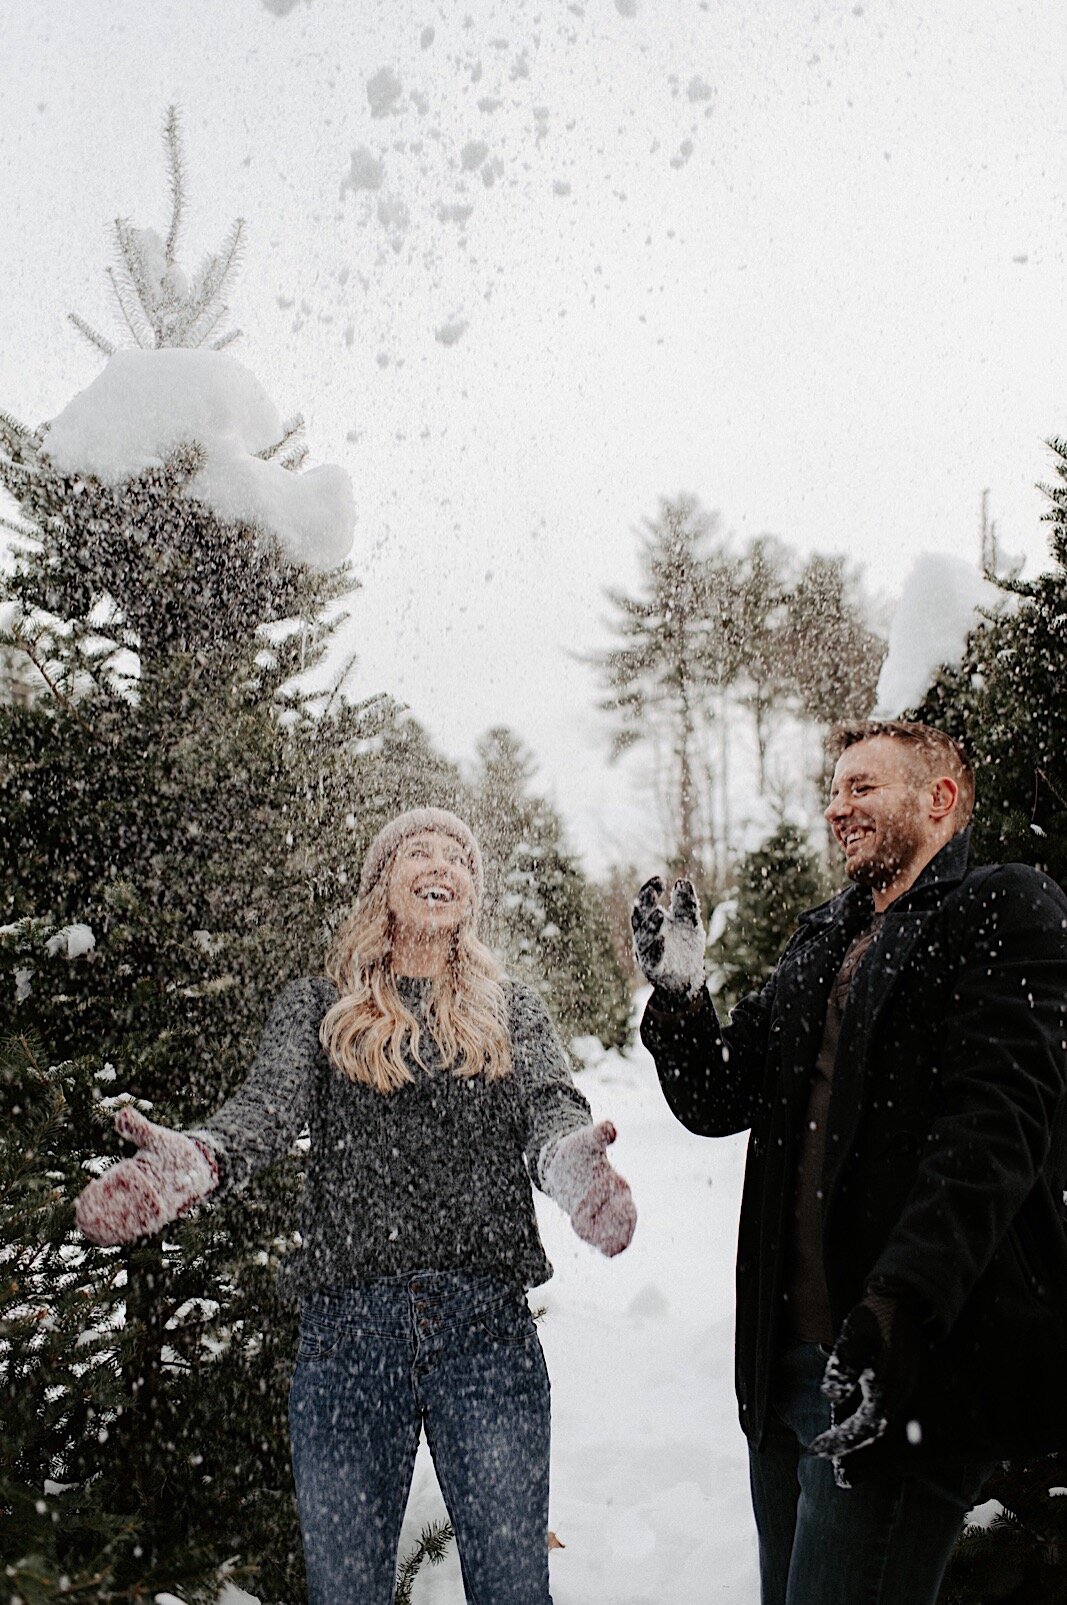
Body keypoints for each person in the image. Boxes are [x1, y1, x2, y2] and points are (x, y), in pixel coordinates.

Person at [75, 806, 637, 1605]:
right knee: (345, 1592)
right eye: (419, 851)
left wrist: (573, 1168)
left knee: (514, 1589)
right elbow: (265, 1110)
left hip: (485, 1339)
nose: (442, 862)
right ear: (383, 883)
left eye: (458, 856)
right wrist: (199, 1159)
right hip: (348, 1340)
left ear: (472, 894)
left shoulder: (512, 1010)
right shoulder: (317, 1007)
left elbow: (551, 1110)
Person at [631, 720, 1067, 1605]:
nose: (837, 808)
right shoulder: (820, 935)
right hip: (788, 1371)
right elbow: (721, 1097)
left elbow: (995, 1127)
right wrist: (679, 1003)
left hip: (904, 1370)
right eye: (833, 791)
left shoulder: (1002, 906)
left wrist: (898, 1304)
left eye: (862, 787)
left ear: (938, 799)